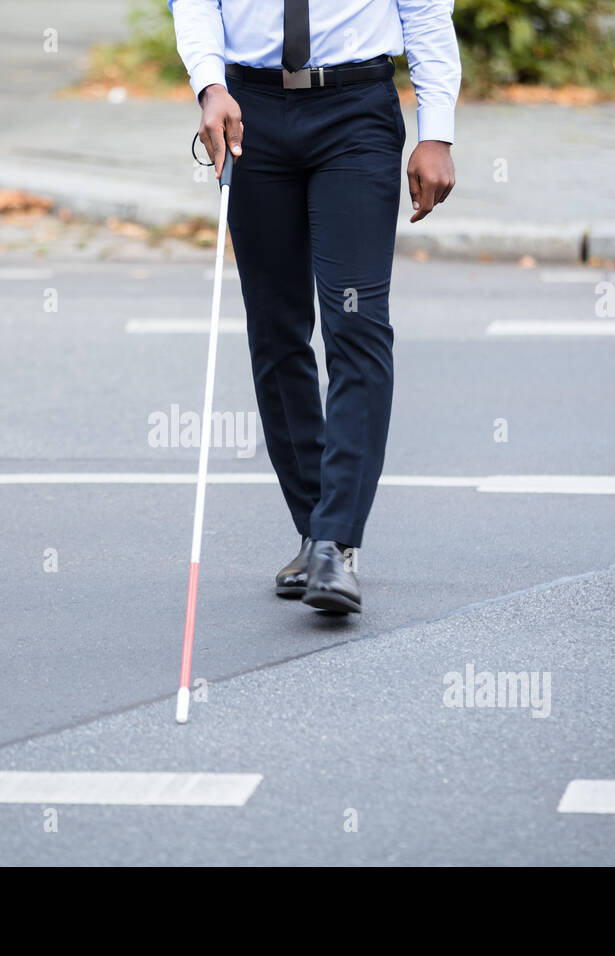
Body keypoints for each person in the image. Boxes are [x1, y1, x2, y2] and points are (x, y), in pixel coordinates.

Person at [169, 0, 460, 614]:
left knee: (355, 326)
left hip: (355, 112)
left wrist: (436, 131)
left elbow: (427, 12)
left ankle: (336, 542)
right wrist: (208, 84)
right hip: (250, 111)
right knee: (276, 333)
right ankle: (314, 528)